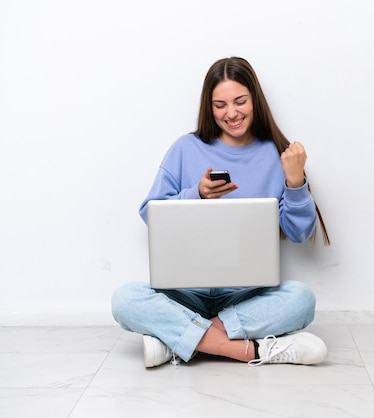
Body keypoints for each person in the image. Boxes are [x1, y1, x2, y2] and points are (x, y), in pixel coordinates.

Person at [111, 57, 330, 368]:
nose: (231, 113)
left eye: (240, 101)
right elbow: (150, 212)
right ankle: (251, 351)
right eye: (220, 105)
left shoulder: (274, 154)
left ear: (255, 99)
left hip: (246, 295)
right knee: (125, 299)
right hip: (185, 292)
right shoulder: (185, 148)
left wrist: (295, 181)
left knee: (301, 299)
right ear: (208, 107)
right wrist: (196, 195)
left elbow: (299, 233)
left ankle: (179, 342)